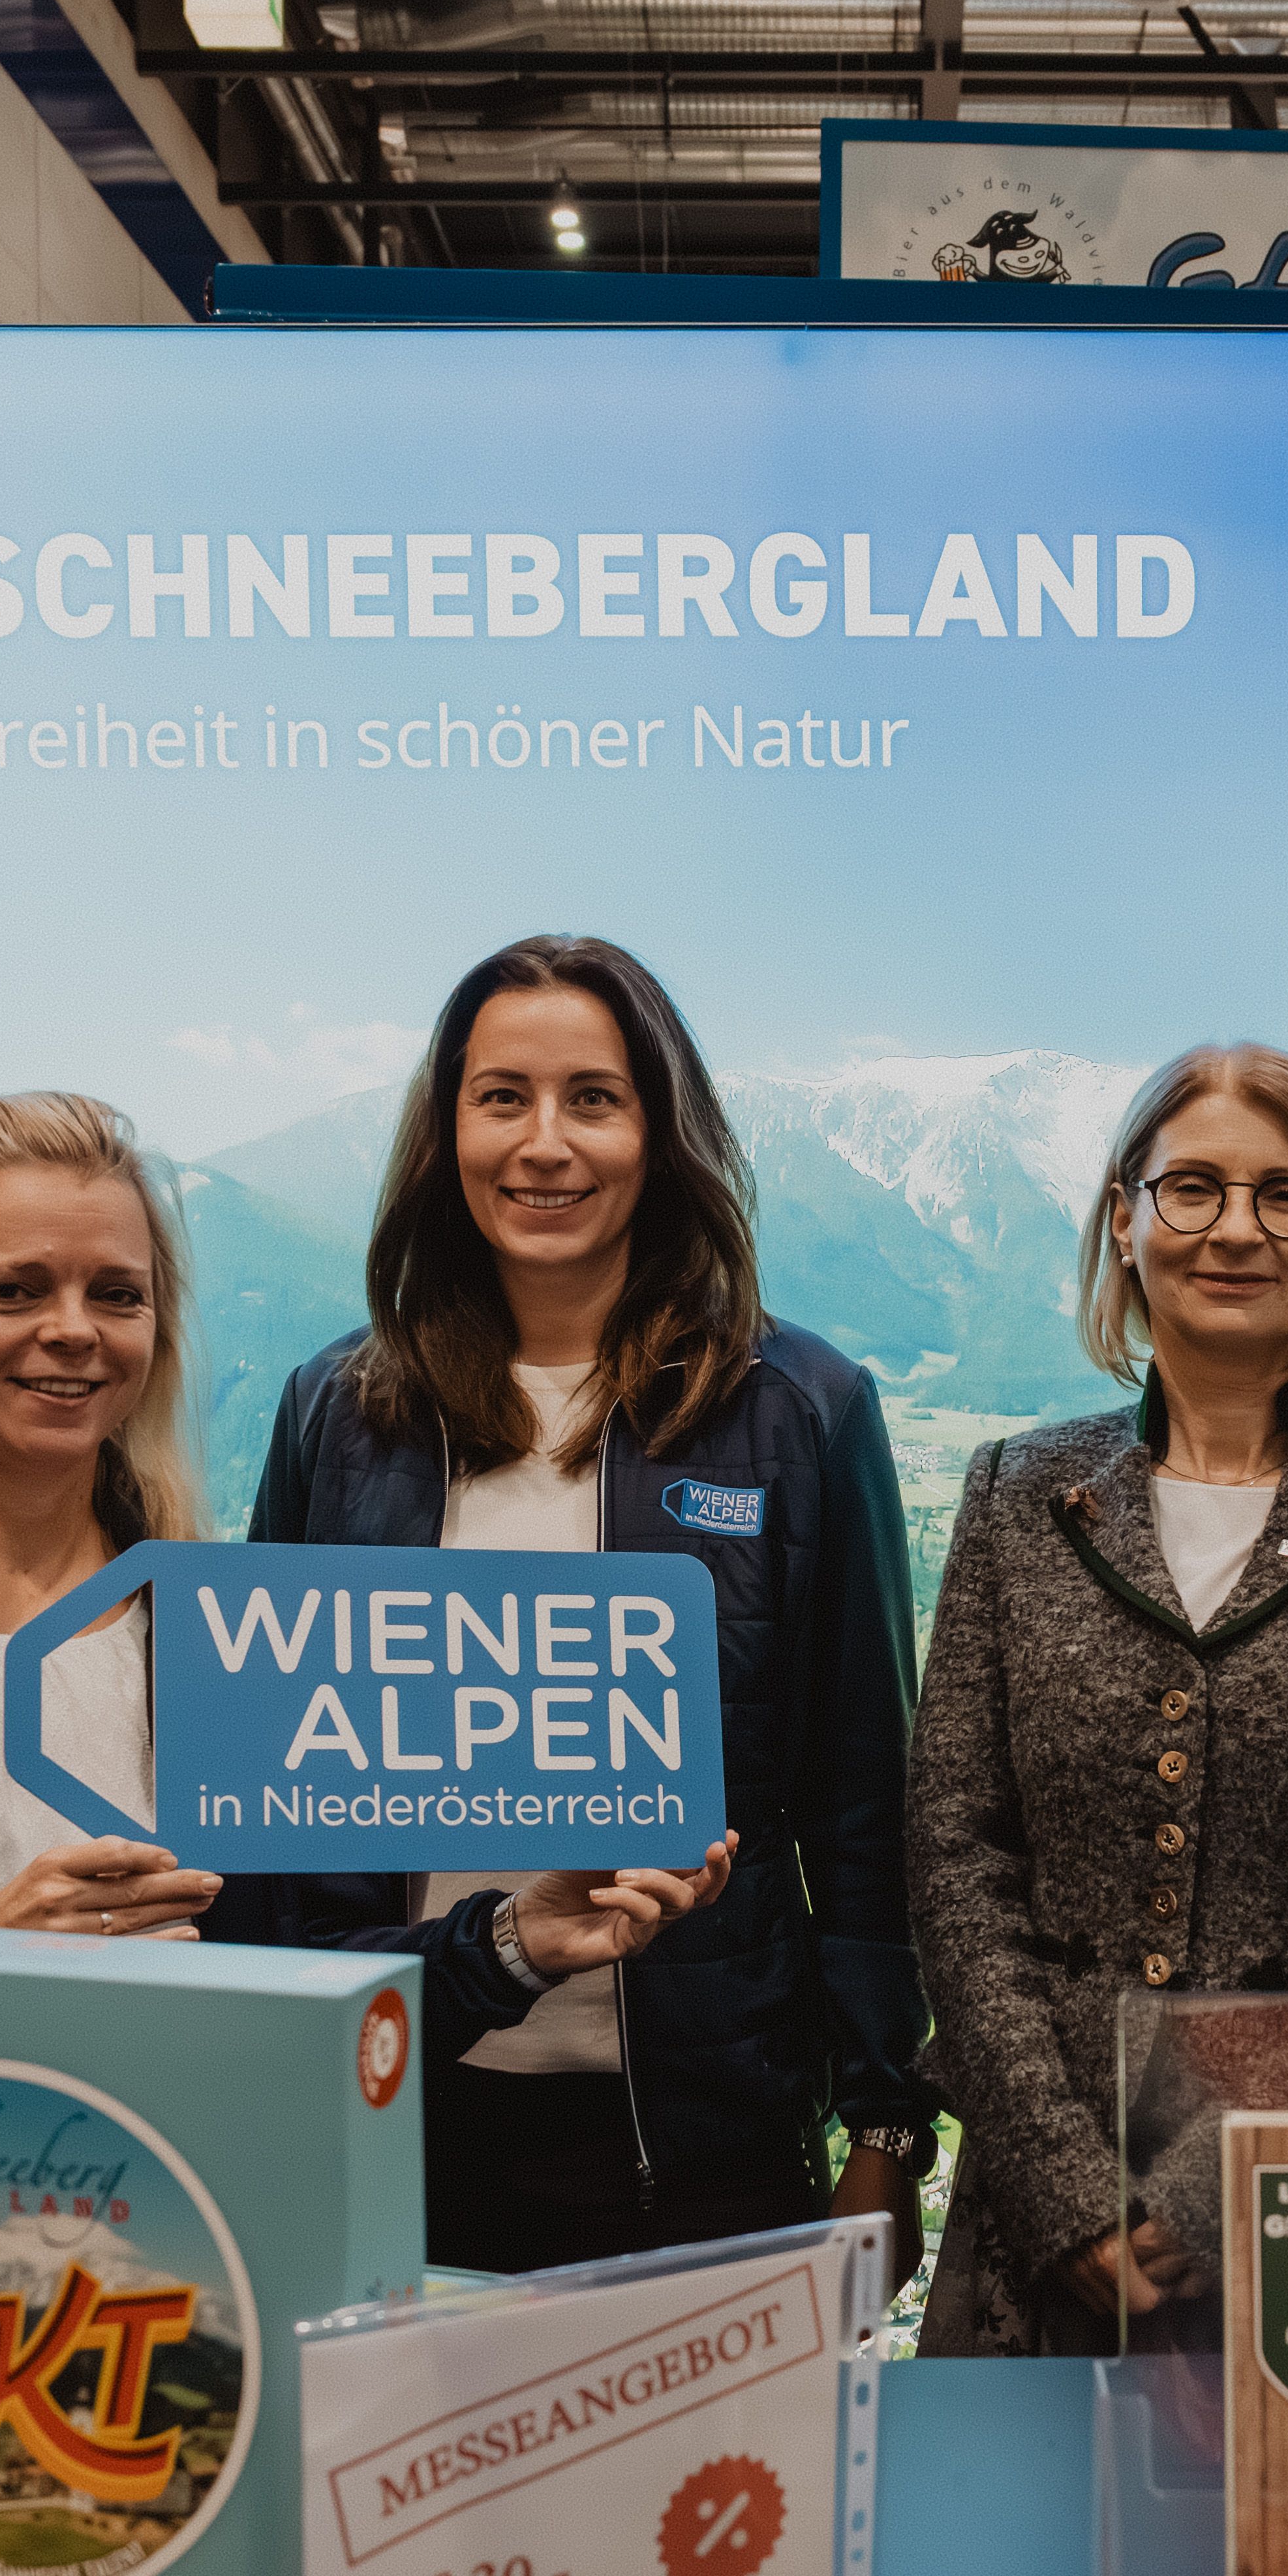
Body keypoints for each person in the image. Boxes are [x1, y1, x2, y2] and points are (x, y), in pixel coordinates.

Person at [0, 1090, 723, 2111]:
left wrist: (515, 1942)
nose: (73, 1328)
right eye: (14, 1289)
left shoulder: (226, 1632)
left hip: (180, 2259)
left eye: (116, 1295)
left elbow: (296, 1996)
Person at [248, 940, 927, 2273]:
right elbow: (277, 1796)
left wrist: (887, 2129)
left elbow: (863, 1803)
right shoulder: (337, 1414)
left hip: (702, 2136)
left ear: (660, 1132)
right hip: (395, 2109)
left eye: (594, 1099)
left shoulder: (799, 1411)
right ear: (445, 1132)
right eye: (502, 1096)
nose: (545, 1144)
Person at [910, 1045, 1288, 2353]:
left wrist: (1204, 2192)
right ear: (1124, 1220)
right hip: (1047, 2194)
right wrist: (1065, 2190)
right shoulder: (1014, 1494)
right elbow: (958, 1856)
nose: (1234, 1229)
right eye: (1189, 1188)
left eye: (1284, 1195)